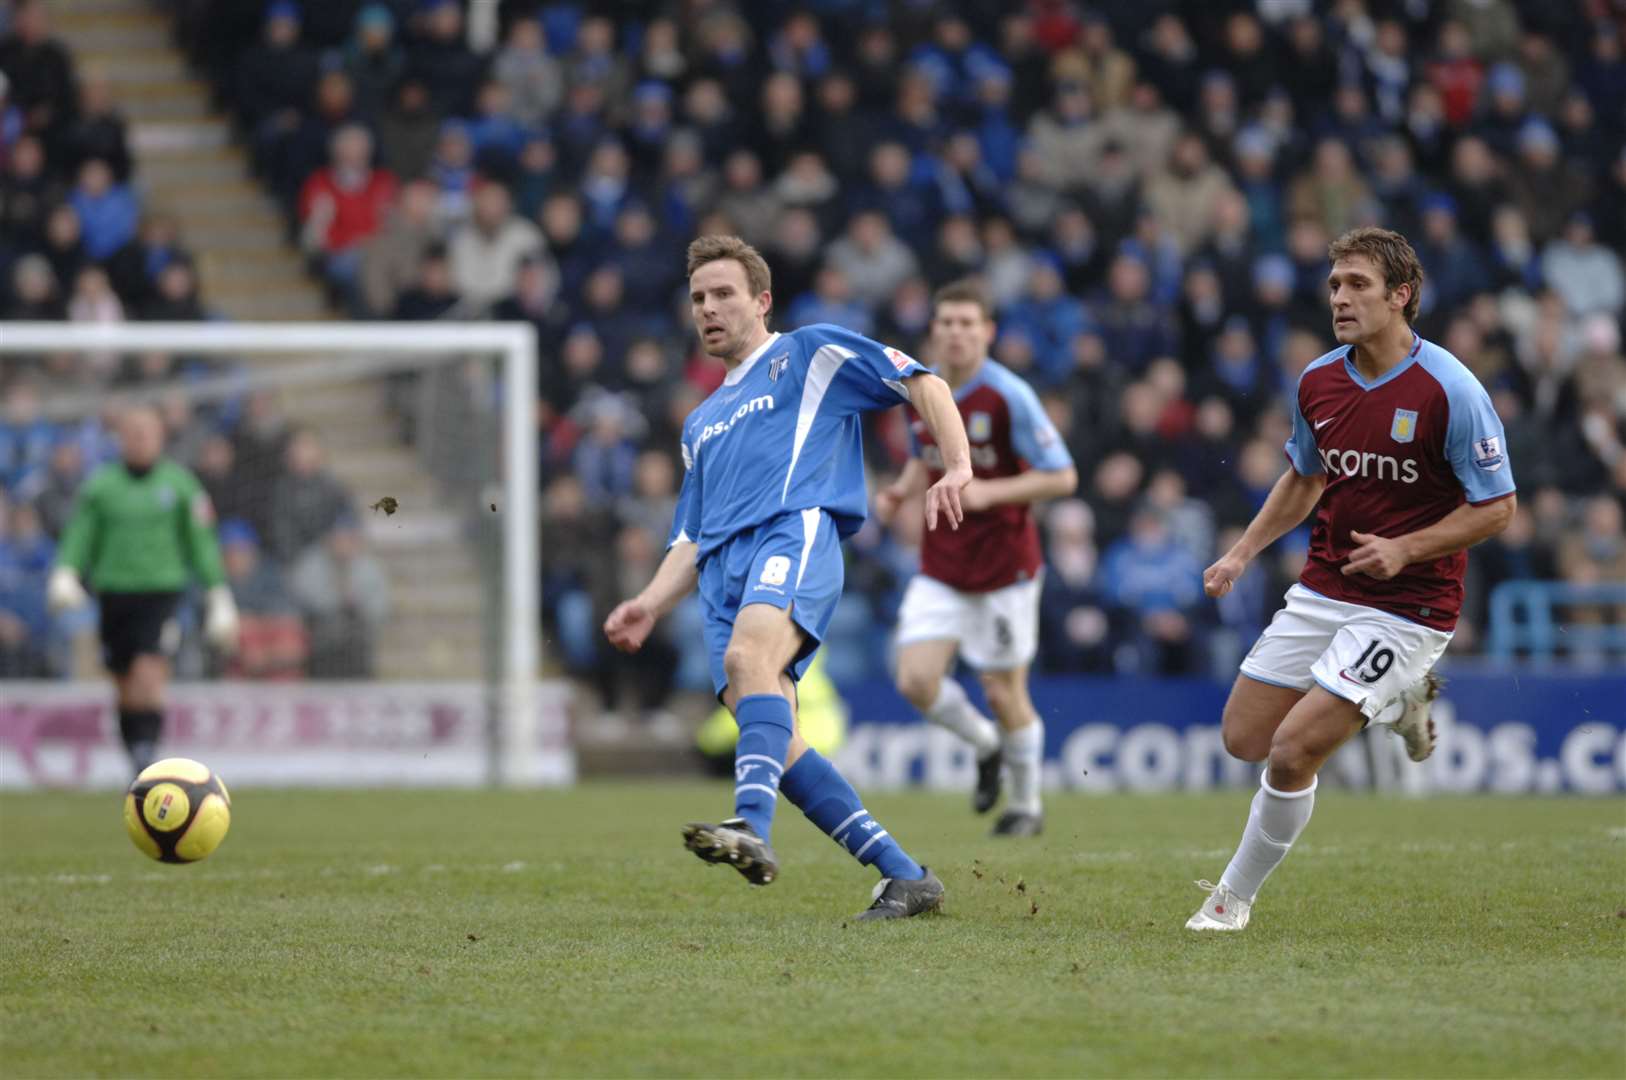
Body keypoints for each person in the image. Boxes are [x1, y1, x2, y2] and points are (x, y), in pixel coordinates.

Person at [604, 234, 973, 921]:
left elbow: (924, 382)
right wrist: (649, 605)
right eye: (698, 299)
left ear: (761, 301)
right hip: (719, 577)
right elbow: (689, 536)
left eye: (723, 295)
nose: (708, 309)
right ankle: (905, 876)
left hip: (792, 533)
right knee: (775, 735)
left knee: (751, 660)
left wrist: (956, 465)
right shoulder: (700, 423)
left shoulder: (806, 354)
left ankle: (751, 827)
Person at [1189, 227, 1516, 931]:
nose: (1340, 297)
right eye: (1335, 284)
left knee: (1291, 750)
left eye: (1358, 284)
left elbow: (1498, 507)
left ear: (1401, 297)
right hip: (1324, 587)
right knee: (1243, 739)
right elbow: (1305, 477)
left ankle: (1230, 899)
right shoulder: (1319, 380)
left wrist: (1407, 549)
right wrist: (1242, 553)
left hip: (1409, 605)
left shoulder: (1450, 389)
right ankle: (1397, 704)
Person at [874, 281, 1077, 835]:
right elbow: (924, 455)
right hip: (941, 563)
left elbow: (1063, 476)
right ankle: (985, 744)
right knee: (914, 679)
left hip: (1004, 569)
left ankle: (1026, 807)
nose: (957, 332)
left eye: (968, 323)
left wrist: (990, 492)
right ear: (933, 330)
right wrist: (901, 488)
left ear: (987, 332)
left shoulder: (1008, 395)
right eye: (947, 322)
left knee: (1002, 690)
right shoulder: (920, 389)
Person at [46, 407, 239, 773]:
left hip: (161, 595)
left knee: (148, 674)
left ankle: (145, 760)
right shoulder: (101, 486)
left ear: (160, 437)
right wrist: (65, 571)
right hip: (115, 594)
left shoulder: (181, 485)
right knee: (124, 685)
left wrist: (218, 592)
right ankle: (137, 759)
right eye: (132, 432)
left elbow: (202, 541)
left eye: (147, 432)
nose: (140, 439)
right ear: (120, 438)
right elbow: (80, 534)